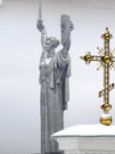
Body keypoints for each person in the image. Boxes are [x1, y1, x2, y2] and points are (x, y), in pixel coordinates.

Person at [37, 15, 73, 154]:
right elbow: (42, 37)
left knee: (54, 120)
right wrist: (42, 28)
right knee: (45, 121)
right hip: (44, 91)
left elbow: (67, 46)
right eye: (45, 42)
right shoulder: (44, 55)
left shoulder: (59, 56)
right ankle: (45, 150)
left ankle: (55, 150)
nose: (45, 43)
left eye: (48, 42)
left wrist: (67, 31)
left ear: (52, 45)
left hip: (54, 92)